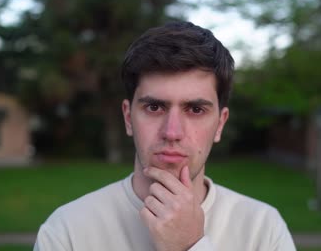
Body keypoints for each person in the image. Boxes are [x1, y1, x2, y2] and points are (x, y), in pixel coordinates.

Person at [34, 21, 296, 251]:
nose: (172, 132)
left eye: (195, 109)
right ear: (128, 118)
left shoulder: (263, 228)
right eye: (154, 107)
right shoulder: (67, 231)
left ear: (220, 124)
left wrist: (190, 245)